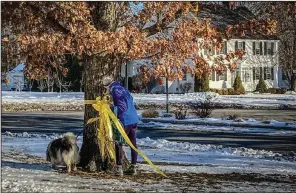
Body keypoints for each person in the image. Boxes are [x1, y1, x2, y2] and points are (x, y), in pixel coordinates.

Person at [102, 75, 139, 176]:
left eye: (105, 88)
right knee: (133, 143)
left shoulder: (114, 90)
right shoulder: (123, 89)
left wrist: (110, 107)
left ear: (107, 85)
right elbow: (130, 100)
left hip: (124, 119)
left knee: (119, 142)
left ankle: (119, 168)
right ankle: (133, 167)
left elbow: (121, 107)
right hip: (134, 118)